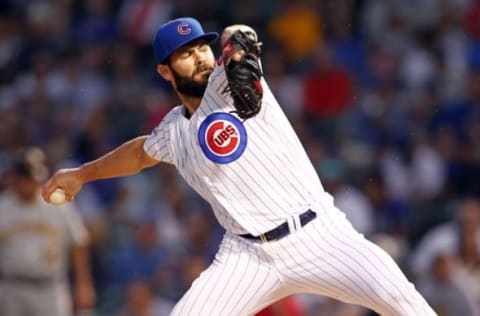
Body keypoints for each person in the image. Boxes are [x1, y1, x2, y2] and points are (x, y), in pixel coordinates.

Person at [42, 17, 436, 315]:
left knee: (401, 299)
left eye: (202, 48)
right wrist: (82, 174)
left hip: (319, 234)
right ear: (165, 71)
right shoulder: (173, 131)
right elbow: (139, 153)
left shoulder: (226, 82)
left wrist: (237, 47)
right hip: (246, 256)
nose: (199, 57)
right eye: (185, 53)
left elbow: (238, 34)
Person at [0, 147, 95, 316]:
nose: (31, 183)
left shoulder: (58, 206)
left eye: (33, 178)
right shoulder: (3, 207)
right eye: (26, 179)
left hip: (50, 287)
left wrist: (83, 284)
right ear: (16, 179)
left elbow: (78, 243)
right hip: (12, 286)